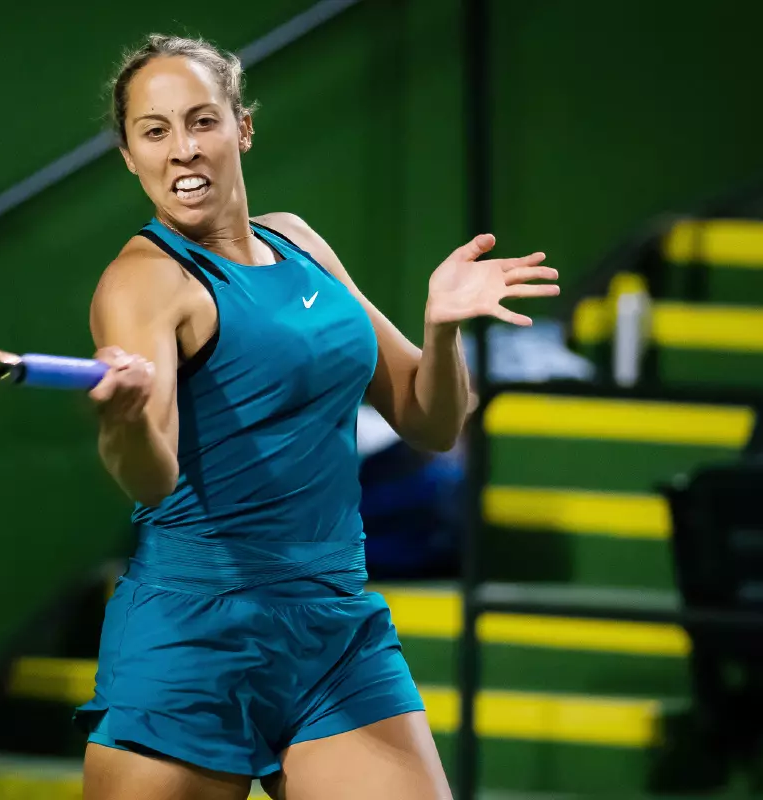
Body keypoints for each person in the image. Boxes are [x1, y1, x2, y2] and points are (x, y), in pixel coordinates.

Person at [77, 33, 559, 800]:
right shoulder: (142, 284)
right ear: (131, 155)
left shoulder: (297, 242)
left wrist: (441, 327)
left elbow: (433, 421)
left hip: (334, 627)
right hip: (194, 635)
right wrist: (125, 419)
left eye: (201, 121)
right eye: (154, 131)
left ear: (243, 126)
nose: (181, 151)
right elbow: (153, 472)